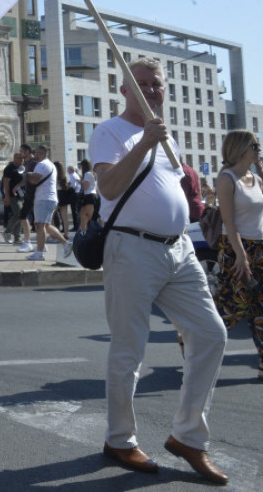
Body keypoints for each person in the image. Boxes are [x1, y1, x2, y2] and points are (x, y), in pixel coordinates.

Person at [90, 58, 228, 484]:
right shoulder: (109, 132)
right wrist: (145, 143)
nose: (151, 90)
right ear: (124, 90)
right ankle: (120, 439)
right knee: (129, 349)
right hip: (131, 248)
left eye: (157, 84)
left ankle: (188, 436)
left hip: (179, 249)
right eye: (142, 84)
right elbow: (108, 187)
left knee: (211, 334)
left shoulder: (169, 137)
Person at [215, 129, 263, 382]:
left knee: (261, 309)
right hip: (236, 247)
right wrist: (241, 255)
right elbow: (229, 222)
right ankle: (192, 338)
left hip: (260, 248)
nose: (258, 149)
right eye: (255, 146)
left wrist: (260, 167)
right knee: (233, 306)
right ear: (242, 148)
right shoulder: (227, 179)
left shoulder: (255, 178)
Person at [22, 146, 66, 261]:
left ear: (41, 154)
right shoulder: (50, 164)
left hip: (44, 198)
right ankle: (65, 244)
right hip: (49, 198)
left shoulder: (41, 165)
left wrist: (26, 174)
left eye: (35, 153)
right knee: (46, 226)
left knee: (40, 225)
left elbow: (34, 179)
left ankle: (40, 253)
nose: (34, 155)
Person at [1, 152, 26, 245]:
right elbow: (6, 183)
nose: (21, 160)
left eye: (22, 158)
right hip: (12, 195)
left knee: (21, 215)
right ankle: (7, 231)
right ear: (14, 158)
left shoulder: (22, 168)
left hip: (21, 195)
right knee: (18, 213)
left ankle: (17, 237)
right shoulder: (9, 168)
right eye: (19, 158)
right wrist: (7, 196)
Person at [77, 158, 99, 232]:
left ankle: (92, 231)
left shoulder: (87, 174)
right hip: (92, 194)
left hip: (89, 195)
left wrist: (81, 184)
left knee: (90, 216)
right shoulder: (92, 173)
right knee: (82, 214)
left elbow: (86, 187)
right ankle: (83, 231)